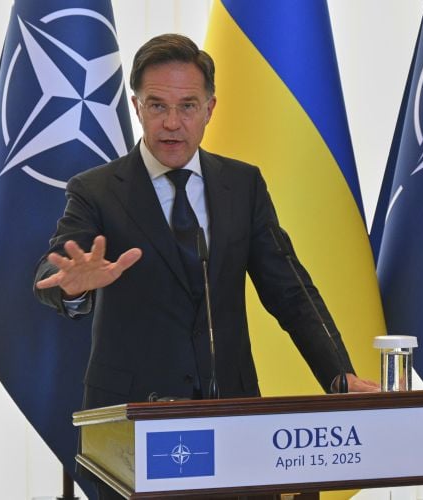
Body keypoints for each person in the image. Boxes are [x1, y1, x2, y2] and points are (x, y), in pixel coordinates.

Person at [34, 33, 378, 498]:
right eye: (157, 106)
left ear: (210, 108)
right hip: (131, 426)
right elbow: (54, 272)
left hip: (232, 416)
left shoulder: (242, 185)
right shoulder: (96, 190)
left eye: (188, 106)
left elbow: (290, 291)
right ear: (137, 107)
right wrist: (74, 287)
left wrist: (338, 375)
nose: (172, 123)